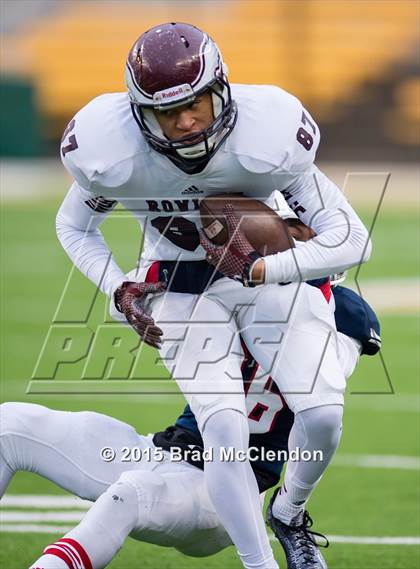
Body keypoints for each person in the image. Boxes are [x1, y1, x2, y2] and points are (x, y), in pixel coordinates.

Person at [56, 22, 372, 569]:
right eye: (165, 111)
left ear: (221, 90)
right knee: (222, 427)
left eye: (196, 102)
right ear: (138, 113)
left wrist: (267, 267)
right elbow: (73, 227)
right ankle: (259, 564)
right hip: (178, 284)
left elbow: (353, 240)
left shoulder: (266, 133)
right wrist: (118, 287)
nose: (184, 121)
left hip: (261, 275)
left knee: (321, 413)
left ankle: (290, 514)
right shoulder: (110, 153)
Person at [0, 284, 380, 569]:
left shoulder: (341, 313)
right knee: (10, 424)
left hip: (225, 495)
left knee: (130, 494)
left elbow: (322, 407)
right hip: (167, 448)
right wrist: (129, 292)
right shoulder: (226, 281)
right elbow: (139, 298)